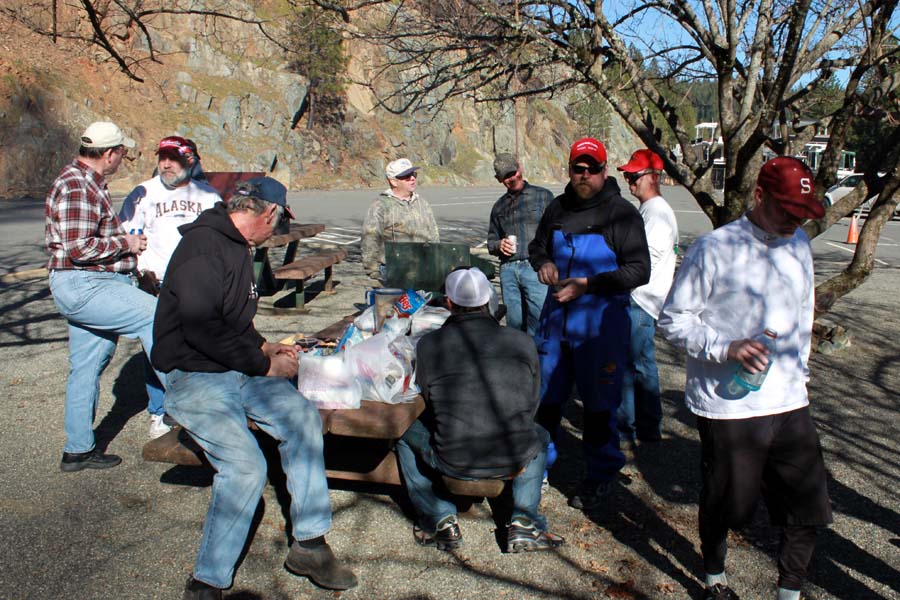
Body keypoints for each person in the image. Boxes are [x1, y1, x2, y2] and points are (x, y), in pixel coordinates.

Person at [152, 177, 357, 598]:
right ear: (267, 214)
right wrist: (264, 362)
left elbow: (231, 323)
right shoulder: (204, 248)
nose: (277, 232)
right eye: (279, 223)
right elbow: (202, 327)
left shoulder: (237, 247)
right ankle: (208, 580)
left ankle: (310, 543)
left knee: (301, 417)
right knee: (246, 467)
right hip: (195, 376)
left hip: (233, 367)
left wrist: (262, 345)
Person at [658, 156, 832, 600]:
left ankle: (789, 591)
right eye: (787, 210)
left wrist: (801, 373)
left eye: (802, 214)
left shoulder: (798, 246)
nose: (795, 221)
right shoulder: (714, 249)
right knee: (730, 505)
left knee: (807, 506)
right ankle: (714, 575)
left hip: (790, 399)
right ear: (759, 196)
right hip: (731, 404)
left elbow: (803, 314)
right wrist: (727, 346)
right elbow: (674, 320)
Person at [396, 267, 564, 553]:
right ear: (490, 299)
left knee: (402, 433)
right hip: (514, 453)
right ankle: (525, 521)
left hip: (453, 457)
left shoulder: (430, 344)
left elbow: (427, 395)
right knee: (538, 435)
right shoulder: (522, 342)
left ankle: (439, 519)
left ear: (448, 303)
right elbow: (532, 401)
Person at [528, 137, 650, 512]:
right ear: (569, 169)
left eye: (592, 168)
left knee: (598, 408)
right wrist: (543, 263)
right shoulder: (557, 208)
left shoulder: (621, 214)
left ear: (604, 170)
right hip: (554, 324)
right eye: (577, 168)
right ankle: (539, 469)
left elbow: (640, 270)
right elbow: (538, 247)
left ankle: (600, 476)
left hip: (600, 328)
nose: (584, 175)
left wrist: (588, 285)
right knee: (545, 401)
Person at [46, 121, 165, 472]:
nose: (122, 160)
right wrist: (126, 244)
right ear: (109, 154)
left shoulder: (85, 183)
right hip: (86, 284)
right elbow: (79, 247)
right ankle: (189, 411)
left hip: (89, 284)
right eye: (122, 154)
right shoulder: (77, 186)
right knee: (159, 316)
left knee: (87, 366)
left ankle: (78, 450)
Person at [119, 136, 220, 438]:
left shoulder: (208, 196)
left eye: (173, 158)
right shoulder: (143, 194)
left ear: (190, 160)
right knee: (157, 348)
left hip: (197, 285)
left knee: (197, 345)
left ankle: (198, 407)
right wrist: (140, 272)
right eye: (162, 157)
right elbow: (128, 237)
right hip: (156, 283)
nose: (165, 164)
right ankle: (159, 411)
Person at [615, 149, 679, 444]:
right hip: (641, 298)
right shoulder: (649, 210)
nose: (629, 182)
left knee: (633, 366)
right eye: (627, 176)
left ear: (653, 177)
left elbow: (642, 261)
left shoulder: (656, 214)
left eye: (634, 176)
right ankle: (647, 426)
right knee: (639, 363)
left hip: (640, 299)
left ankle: (632, 429)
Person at [486, 152, 553, 336]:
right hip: (508, 271)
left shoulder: (543, 197)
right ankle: (519, 362)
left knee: (540, 321)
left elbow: (556, 234)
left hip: (535, 267)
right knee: (514, 326)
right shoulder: (498, 206)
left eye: (513, 172)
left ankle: (541, 362)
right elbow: (491, 241)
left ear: (520, 168)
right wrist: (499, 244)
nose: (511, 178)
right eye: (505, 176)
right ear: (498, 179)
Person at [361, 158, 440, 280]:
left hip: (423, 268)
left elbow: (434, 235)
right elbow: (369, 239)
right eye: (406, 176)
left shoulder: (422, 204)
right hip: (393, 270)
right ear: (394, 181)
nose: (412, 178)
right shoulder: (380, 206)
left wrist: (435, 261)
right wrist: (373, 271)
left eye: (413, 174)